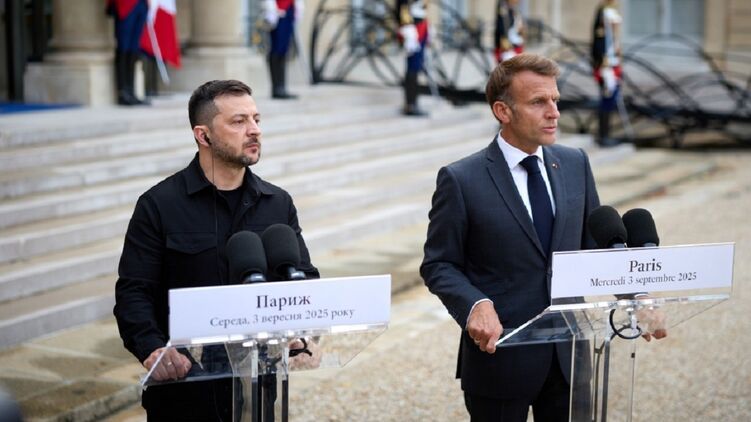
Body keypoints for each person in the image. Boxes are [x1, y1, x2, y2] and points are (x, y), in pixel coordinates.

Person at [113, 79, 319, 420]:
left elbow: (304, 278)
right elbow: (134, 292)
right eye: (239, 121)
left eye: (256, 119)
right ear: (203, 135)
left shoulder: (277, 203)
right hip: (184, 392)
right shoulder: (158, 205)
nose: (254, 130)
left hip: (258, 393)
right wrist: (153, 348)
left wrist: (302, 333)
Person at [420, 54, 601, 421]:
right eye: (538, 102)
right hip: (500, 360)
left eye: (555, 100)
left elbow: (595, 243)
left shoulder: (575, 163)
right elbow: (439, 264)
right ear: (503, 111)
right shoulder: (461, 179)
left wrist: (638, 294)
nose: (554, 113)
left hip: (570, 356)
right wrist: (475, 304)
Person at [591, 0, 623, 147]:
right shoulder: (603, 35)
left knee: (610, 101)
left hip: (612, 67)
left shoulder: (612, 37)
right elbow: (599, 46)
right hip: (606, 69)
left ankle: (606, 134)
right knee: (606, 100)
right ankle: (603, 135)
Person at [107, 0, 149, 106]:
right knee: (123, 46)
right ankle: (122, 93)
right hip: (125, 4)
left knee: (134, 48)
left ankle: (131, 91)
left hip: (141, 4)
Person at [263, 0, 303, 99]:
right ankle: (277, 88)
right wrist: (273, 11)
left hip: (289, 11)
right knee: (277, 49)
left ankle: (281, 87)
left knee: (283, 50)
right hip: (278, 13)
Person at [396, 0, 429, 116]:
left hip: (420, 26)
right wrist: (407, 28)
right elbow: (403, 8)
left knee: (416, 68)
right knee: (413, 68)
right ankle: (410, 105)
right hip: (413, 30)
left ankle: (412, 103)